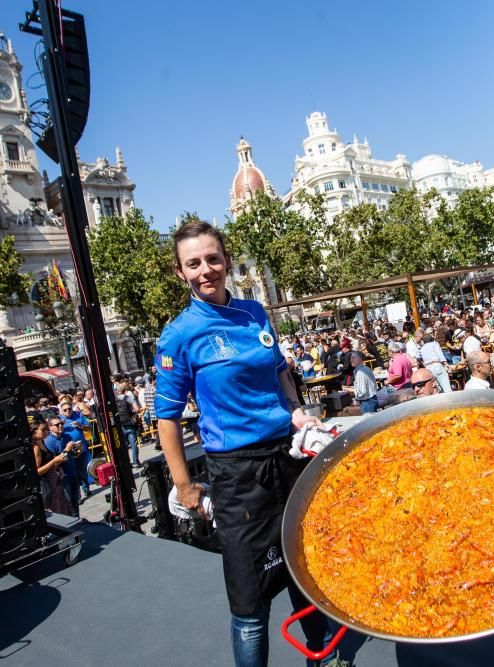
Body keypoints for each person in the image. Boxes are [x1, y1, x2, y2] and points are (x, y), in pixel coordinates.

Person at [153, 221, 332, 667]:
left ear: (227, 261)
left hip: (289, 458)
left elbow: (278, 371)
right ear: (181, 272)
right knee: (250, 603)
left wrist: (296, 412)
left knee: (306, 573)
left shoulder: (255, 313)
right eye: (193, 263)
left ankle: (324, 659)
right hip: (236, 474)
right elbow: (167, 418)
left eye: (213, 258)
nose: (206, 270)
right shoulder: (178, 335)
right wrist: (186, 486)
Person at [43, 417, 84, 517]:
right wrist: (66, 449)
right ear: (50, 427)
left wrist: (79, 450)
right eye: (57, 425)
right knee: (68, 503)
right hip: (63, 477)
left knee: (75, 502)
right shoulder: (49, 442)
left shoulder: (66, 437)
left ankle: (78, 521)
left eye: (61, 423)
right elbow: (54, 463)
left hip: (73, 473)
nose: (60, 426)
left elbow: (73, 455)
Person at [31, 423, 74, 516]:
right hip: (48, 484)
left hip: (55, 482)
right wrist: (55, 460)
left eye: (47, 429)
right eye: (43, 430)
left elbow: (50, 463)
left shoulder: (42, 443)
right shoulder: (35, 447)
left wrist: (58, 465)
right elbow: (37, 472)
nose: (47, 431)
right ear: (34, 432)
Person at [59, 400, 92, 501]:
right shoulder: (59, 421)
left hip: (81, 449)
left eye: (69, 409)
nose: (68, 411)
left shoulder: (78, 415)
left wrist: (81, 426)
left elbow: (89, 426)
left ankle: (86, 488)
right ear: (61, 411)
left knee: (84, 470)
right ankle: (77, 496)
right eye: (65, 410)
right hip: (69, 451)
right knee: (74, 473)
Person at [115, 381, 141, 467]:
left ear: (117, 391)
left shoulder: (115, 400)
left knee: (124, 446)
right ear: (125, 390)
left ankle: (127, 463)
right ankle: (136, 462)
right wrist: (133, 412)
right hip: (129, 423)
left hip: (120, 425)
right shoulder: (128, 398)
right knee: (133, 444)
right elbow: (137, 409)